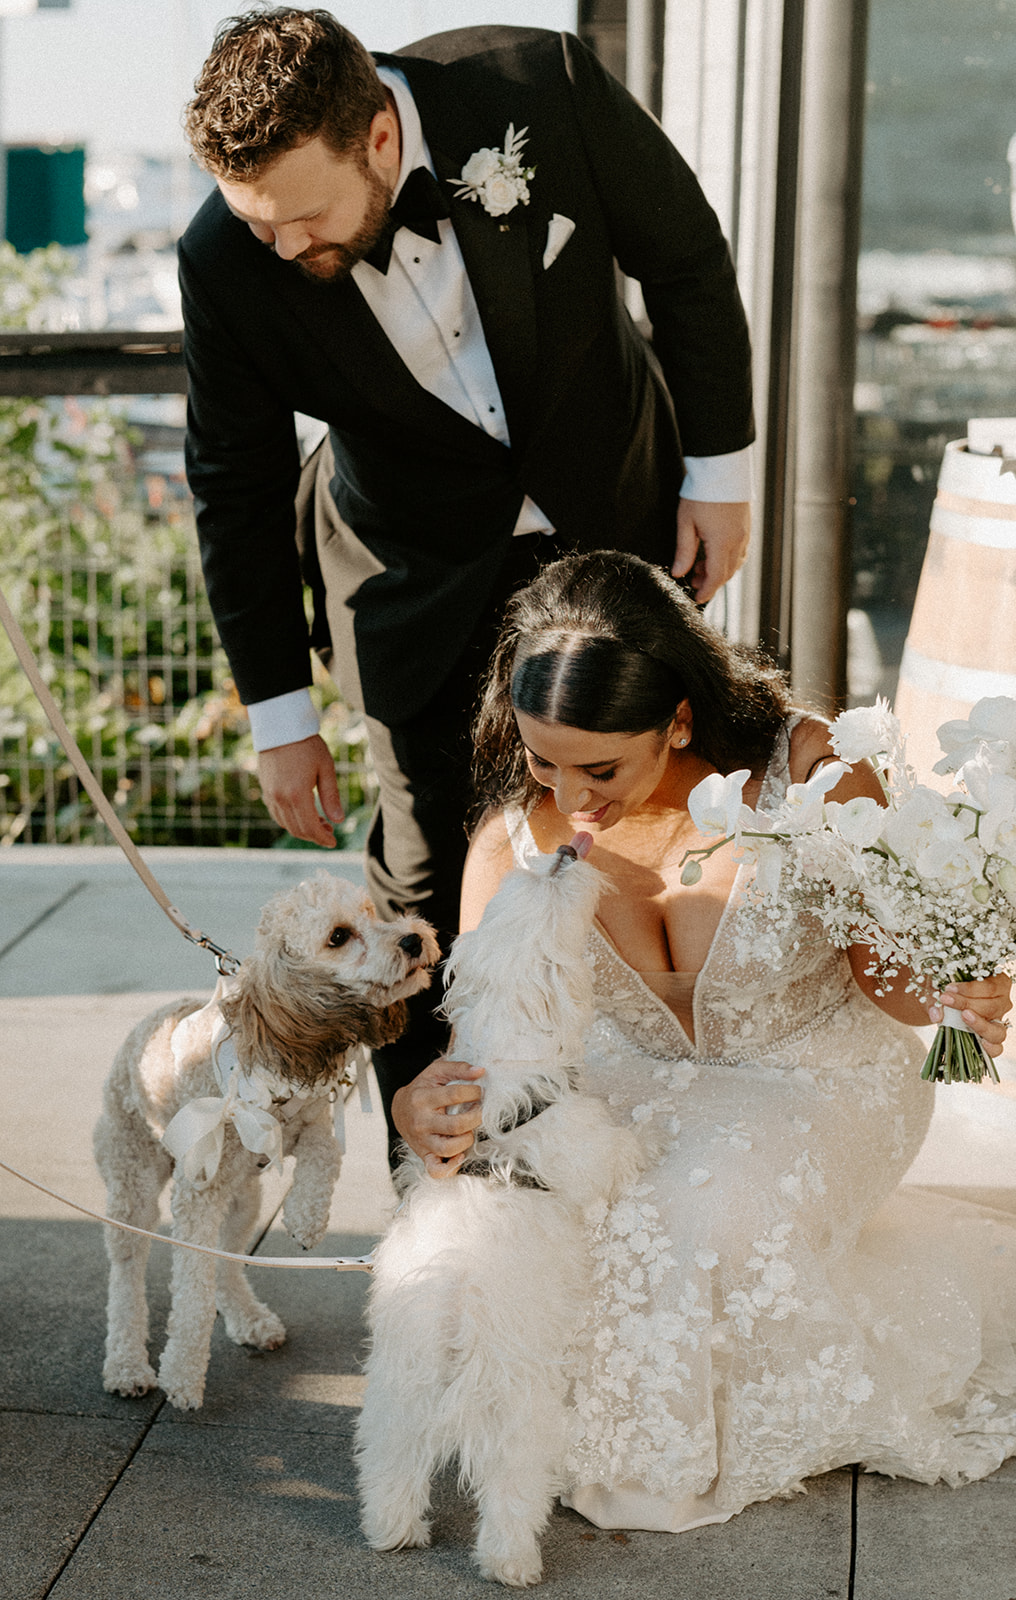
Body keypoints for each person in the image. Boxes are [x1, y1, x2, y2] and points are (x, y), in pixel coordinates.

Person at [178, 8, 755, 1136]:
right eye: (259, 226)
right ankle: (438, 1196)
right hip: (409, 581)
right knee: (422, 892)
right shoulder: (222, 257)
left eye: (303, 218)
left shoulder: (536, 81)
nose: (284, 250)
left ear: (381, 142)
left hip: (610, 532)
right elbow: (232, 483)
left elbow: (683, 259)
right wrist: (278, 714)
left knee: (648, 823)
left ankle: (642, 1140)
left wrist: (718, 473)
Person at [394, 550, 1016, 1533]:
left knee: (696, 1212)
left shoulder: (810, 777)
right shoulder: (512, 839)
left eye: (599, 767)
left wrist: (956, 980)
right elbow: (494, 1045)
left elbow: (887, 984)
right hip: (629, 1075)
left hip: (816, 1068)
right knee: (546, 1207)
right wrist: (428, 1102)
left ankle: (659, 1449)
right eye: (540, 759)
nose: (569, 795)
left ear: (677, 717)